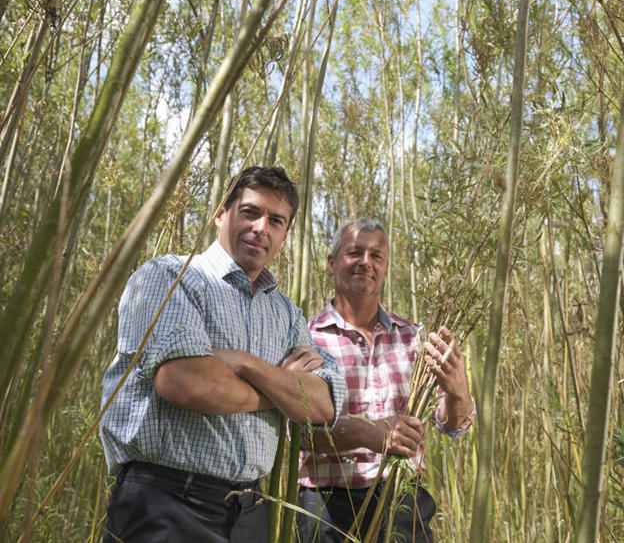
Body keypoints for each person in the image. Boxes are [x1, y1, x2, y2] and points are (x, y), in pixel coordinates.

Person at [99, 166, 346, 542]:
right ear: (221, 213)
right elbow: (186, 382)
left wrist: (246, 364)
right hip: (166, 501)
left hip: (251, 510)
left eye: (275, 220)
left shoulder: (286, 314)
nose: (261, 228)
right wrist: (283, 392)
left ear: (284, 235)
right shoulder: (171, 277)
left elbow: (323, 404)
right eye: (250, 212)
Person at [296, 218, 475, 542]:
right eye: (355, 252)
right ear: (332, 263)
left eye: (376, 256)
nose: (366, 262)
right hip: (326, 507)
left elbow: (453, 426)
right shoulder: (306, 338)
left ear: (386, 267)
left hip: (403, 501)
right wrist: (371, 434)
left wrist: (458, 392)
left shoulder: (414, 339)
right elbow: (300, 433)